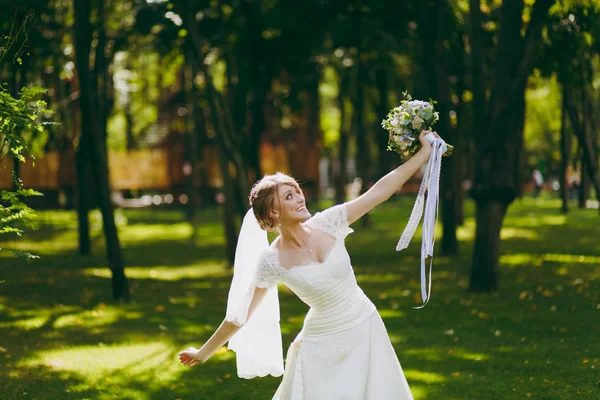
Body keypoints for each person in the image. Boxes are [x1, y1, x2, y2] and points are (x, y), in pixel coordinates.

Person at [178, 130, 440, 399]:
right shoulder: (272, 261)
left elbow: (381, 190)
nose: (301, 198)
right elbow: (240, 315)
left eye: (298, 191)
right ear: (273, 212)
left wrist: (424, 154)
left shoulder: (331, 221)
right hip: (321, 343)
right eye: (289, 196)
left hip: (364, 324)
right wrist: (202, 352)